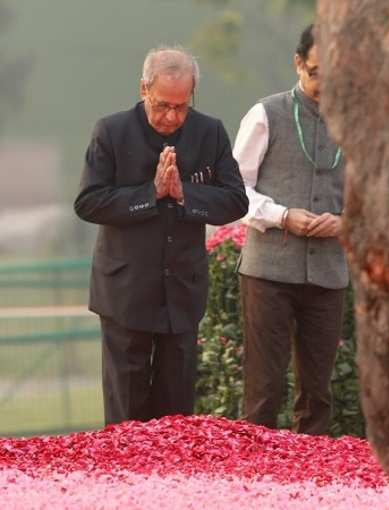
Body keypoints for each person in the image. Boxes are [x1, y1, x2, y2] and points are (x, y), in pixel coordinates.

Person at [74, 46, 248, 426]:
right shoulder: (111, 131)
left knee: (176, 419)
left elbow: (236, 200)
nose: (172, 117)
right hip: (125, 292)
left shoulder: (209, 132)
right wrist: (149, 194)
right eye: (162, 105)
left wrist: (186, 193)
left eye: (181, 107)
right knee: (126, 418)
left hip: (182, 294)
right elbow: (88, 202)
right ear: (143, 90)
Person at [233, 25, 348, 435]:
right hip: (268, 273)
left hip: (329, 272)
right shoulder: (266, 114)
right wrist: (282, 215)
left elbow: (379, 197)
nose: (324, 84)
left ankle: (310, 486)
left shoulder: (359, 123)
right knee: (264, 389)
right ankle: (254, 482)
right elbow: (233, 191)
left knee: (318, 392)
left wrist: (346, 221)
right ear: (298, 63)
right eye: (316, 72)